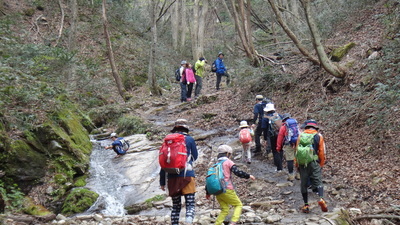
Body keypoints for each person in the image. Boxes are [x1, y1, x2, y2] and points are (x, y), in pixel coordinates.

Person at [159, 119, 198, 224]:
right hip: (187, 175)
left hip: (172, 177)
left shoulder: (167, 141)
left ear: (175, 128)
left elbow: (163, 163)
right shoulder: (189, 139)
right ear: (185, 128)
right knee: (190, 204)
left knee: (176, 206)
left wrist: (162, 182)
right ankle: (188, 222)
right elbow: (195, 157)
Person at [206, 145, 255, 225]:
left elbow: (210, 179)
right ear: (227, 154)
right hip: (227, 189)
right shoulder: (228, 162)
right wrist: (248, 176)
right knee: (238, 205)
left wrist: (207, 193)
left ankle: (217, 223)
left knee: (225, 209)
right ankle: (233, 222)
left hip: (217, 191)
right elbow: (237, 172)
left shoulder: (215, 164)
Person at [295, 120, 328, 213]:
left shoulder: (300, 135)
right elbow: (321, 152)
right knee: (318, 180)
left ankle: (306, 205)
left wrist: (297, 164)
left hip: (302, 163)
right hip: (314, 162)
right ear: (315, 128)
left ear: (306, 127)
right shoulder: (318, 136)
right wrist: (321, 163)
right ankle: (321, 199)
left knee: (303, 183)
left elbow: (297, 150)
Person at [262, 103, 283, 172]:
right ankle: (281, 164)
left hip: (273, 136)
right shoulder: (279, 115)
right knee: (280, 149)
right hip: (281, 134)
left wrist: (265, 139)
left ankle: (279, 168)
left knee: (275, 151)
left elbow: (264, 129)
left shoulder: (265, 118)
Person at [276, 113, 297, 181]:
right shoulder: (296, 124)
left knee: (290, 160)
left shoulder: (284, 127)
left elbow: (280, 138)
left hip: (289, 145)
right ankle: (299, 174)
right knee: (298, 159)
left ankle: (291, 175)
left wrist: (278, 147)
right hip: (297, 143)